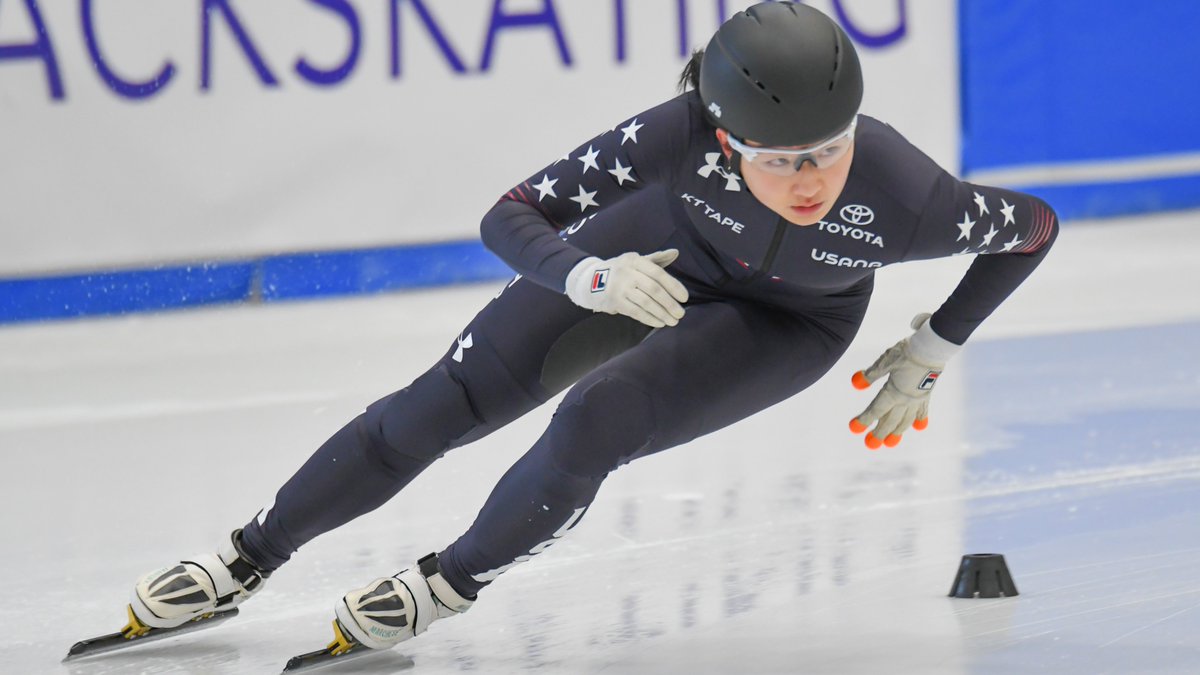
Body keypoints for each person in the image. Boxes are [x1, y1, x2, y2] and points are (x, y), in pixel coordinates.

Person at [126, 2, 1057, 655]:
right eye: (781, 159)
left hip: (789, 321)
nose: (814, 180)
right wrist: (585, 272)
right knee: (442, 402)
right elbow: (512, 213)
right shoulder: (678, 132)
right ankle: (248, 555)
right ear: (727, 140)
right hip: (647, 254)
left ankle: (451, 580)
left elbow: (1033, 230)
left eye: (831, 148)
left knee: (597, 418)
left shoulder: (911, 198)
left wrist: (938, 342)